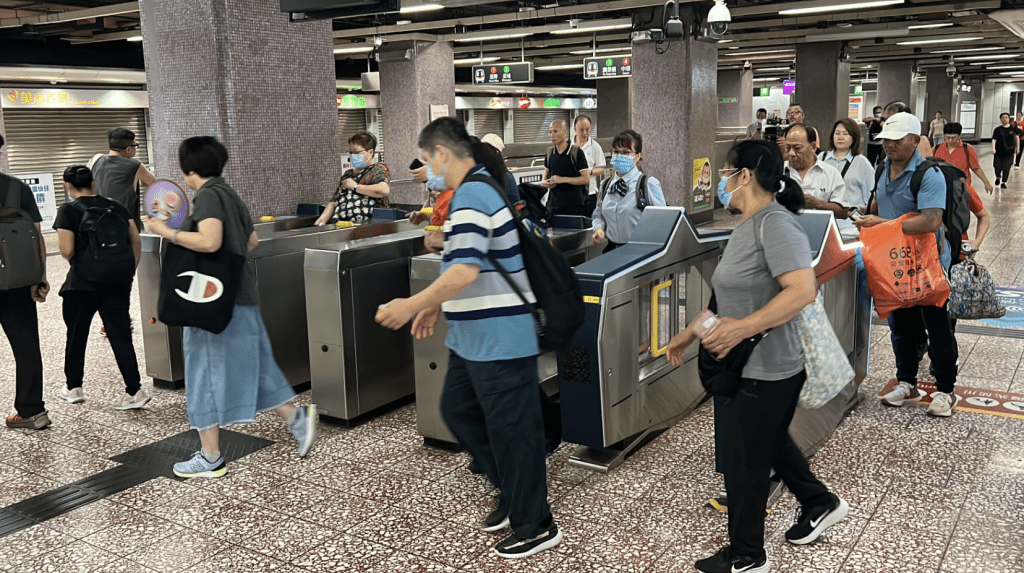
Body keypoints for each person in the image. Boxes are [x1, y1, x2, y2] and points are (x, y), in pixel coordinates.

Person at [377, 117, 561, 560]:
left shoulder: (475, 194)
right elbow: (463, 261)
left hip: (500, 334)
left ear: (443, 153)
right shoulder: (464, 194)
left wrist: (409, 303)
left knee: (511, 430)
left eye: (426, 160)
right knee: (458, 410)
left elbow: (465, 269)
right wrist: (434, 304)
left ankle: (536, 524)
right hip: (471, 336)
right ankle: (513, 491)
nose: (426, 169)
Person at [667, 139, 848, 573]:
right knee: (765, 442)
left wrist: (742, 329)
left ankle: (747, 556)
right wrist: (694, 330)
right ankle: (820, 502)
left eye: (726, 171)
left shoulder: (775, 224)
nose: (721, 181)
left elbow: (803, 290)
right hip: (749, 363)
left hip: (772, 367)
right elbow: (731, 296)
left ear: (744, 175)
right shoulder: (747, 224)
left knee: (744, 462)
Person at [146, 136, 318, 477]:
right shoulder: (231, 194)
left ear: (188, 168)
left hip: (212, 305)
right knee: (255, 364)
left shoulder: (208, 195)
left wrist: (166, 231)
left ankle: (210, 457)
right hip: (242, 296)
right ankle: (298, 420)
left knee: (202, 373)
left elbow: (210, 241)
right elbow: (251, 241)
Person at [853, 112, 960, 417]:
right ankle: (907, 382)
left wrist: (882, 223)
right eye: (885, 139)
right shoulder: (882, 168)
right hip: (894, 263)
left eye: (896, 140)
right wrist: (862, 214)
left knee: (936, 326)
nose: (888, 145)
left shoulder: (929, 175)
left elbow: (930, 220)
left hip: (928, 265)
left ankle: (945, 390)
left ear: (915, 140)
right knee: (901, 326)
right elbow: (876, 205)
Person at [53, 165, 148, 410]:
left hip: (82, 284)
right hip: (117, 281)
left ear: (67, 185)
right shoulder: (115, 206)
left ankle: (74, 388)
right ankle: (134, 390)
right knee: (120, 335)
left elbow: (67, 250)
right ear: (94, 182)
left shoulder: (68, 210)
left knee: (77, 335)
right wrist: (127, 272)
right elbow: (135, 240)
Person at [1, 133, 51, 430]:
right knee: (27, 346)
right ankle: (32, 410)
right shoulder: (16, 188)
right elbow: (36, 236)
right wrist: (39, 277)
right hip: (18, 281)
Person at [591, 130, 667, 252]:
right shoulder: (605, 185)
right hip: (611, 250)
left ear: (638, 156)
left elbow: (663, 221)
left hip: (640, 252)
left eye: (626, 152)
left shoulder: (648, 184)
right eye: (616, 152)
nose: (620, 156)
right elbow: (598, 213)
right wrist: (599, 228)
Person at [315, 131, 390, 225]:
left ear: (370, 152)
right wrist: (322, 220)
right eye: (350, 152)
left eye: (357, 152)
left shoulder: (379, 169)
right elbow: (334, 200)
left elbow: (383, 190)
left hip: (373, 226)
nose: (353, 155)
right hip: (346, 226)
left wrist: (355, 187)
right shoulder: (348, 174)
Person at [783, 124, 856, 220]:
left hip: (819, 232)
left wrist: (817, 204)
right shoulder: (776, 171)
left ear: (813, 147)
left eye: (797, 148)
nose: (791, 153)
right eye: (788, 148)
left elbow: (843, 212)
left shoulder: (830, 173)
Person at [91, 127, 156, 232]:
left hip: (96, 226)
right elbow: (153, 182)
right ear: (129, 149)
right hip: (124, 230)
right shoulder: (135, 165)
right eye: (135, 146)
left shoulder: (95, 159)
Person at [821, 118, 875, 208]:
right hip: (826, 215)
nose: (840, 137)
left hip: (850, 219)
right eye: (837, 133)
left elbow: (870, 196)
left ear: (853, 138)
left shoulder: (862, 162)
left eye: (845, 134)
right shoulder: (822, 158)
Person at [542, 119, 591, 217]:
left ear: (565, 132)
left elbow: (586, 178)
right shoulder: (549, 152)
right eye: (550, 132)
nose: (552, 135)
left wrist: (562, 179)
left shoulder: (576, 152)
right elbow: (544, 178)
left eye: (555, 131)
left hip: (574, 205)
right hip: (554, 205)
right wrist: (546, 183)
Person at [934, 122, 994, 196]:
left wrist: (986, 183)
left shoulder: (967, 149)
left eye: (953, 138)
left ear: (959, 136)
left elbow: (976, 168)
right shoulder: (936, 149)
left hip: (961, 189)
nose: (950, 140)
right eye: (947, 137)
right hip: (940, 188)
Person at [573, 115, 606, 214]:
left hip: (589, 193)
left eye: (587, 129)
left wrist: (589, 172)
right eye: (581, 130)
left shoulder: (595, 146)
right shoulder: (568, 146)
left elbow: (601, 169)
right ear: (575, 129)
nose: (585, 133)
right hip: (571, 194)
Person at [991, 112, 1018, 189]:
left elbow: (1017, 138)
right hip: (999, 152)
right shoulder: (997, 130)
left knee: (1007, 167)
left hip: (1009, 152)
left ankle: (1003, 182)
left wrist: (1017, 148)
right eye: (1003, 118)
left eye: (1006, 117)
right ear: (1000, 119)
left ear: (1009, 119)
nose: (1004, 119)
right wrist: (993, 148)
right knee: (997, 167)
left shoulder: (1013, 128)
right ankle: (998, 177)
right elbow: (994, 139)